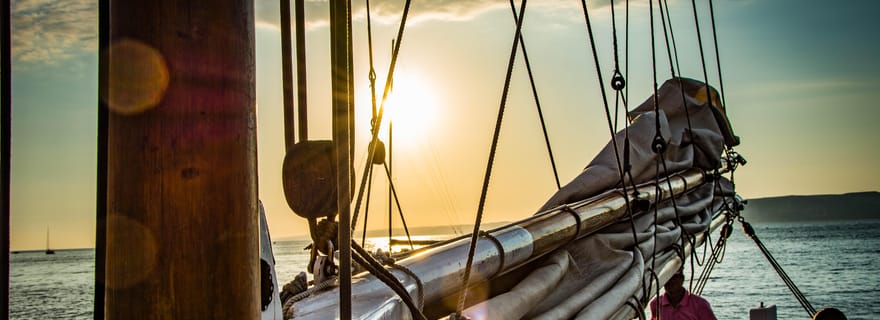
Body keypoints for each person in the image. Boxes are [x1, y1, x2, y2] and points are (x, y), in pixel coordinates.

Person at [649, 270, 717, 320]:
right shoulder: (656, 304)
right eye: (666, 278)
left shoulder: (700, 304)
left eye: (674, 278)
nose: (670, 281)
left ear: (682, 279)